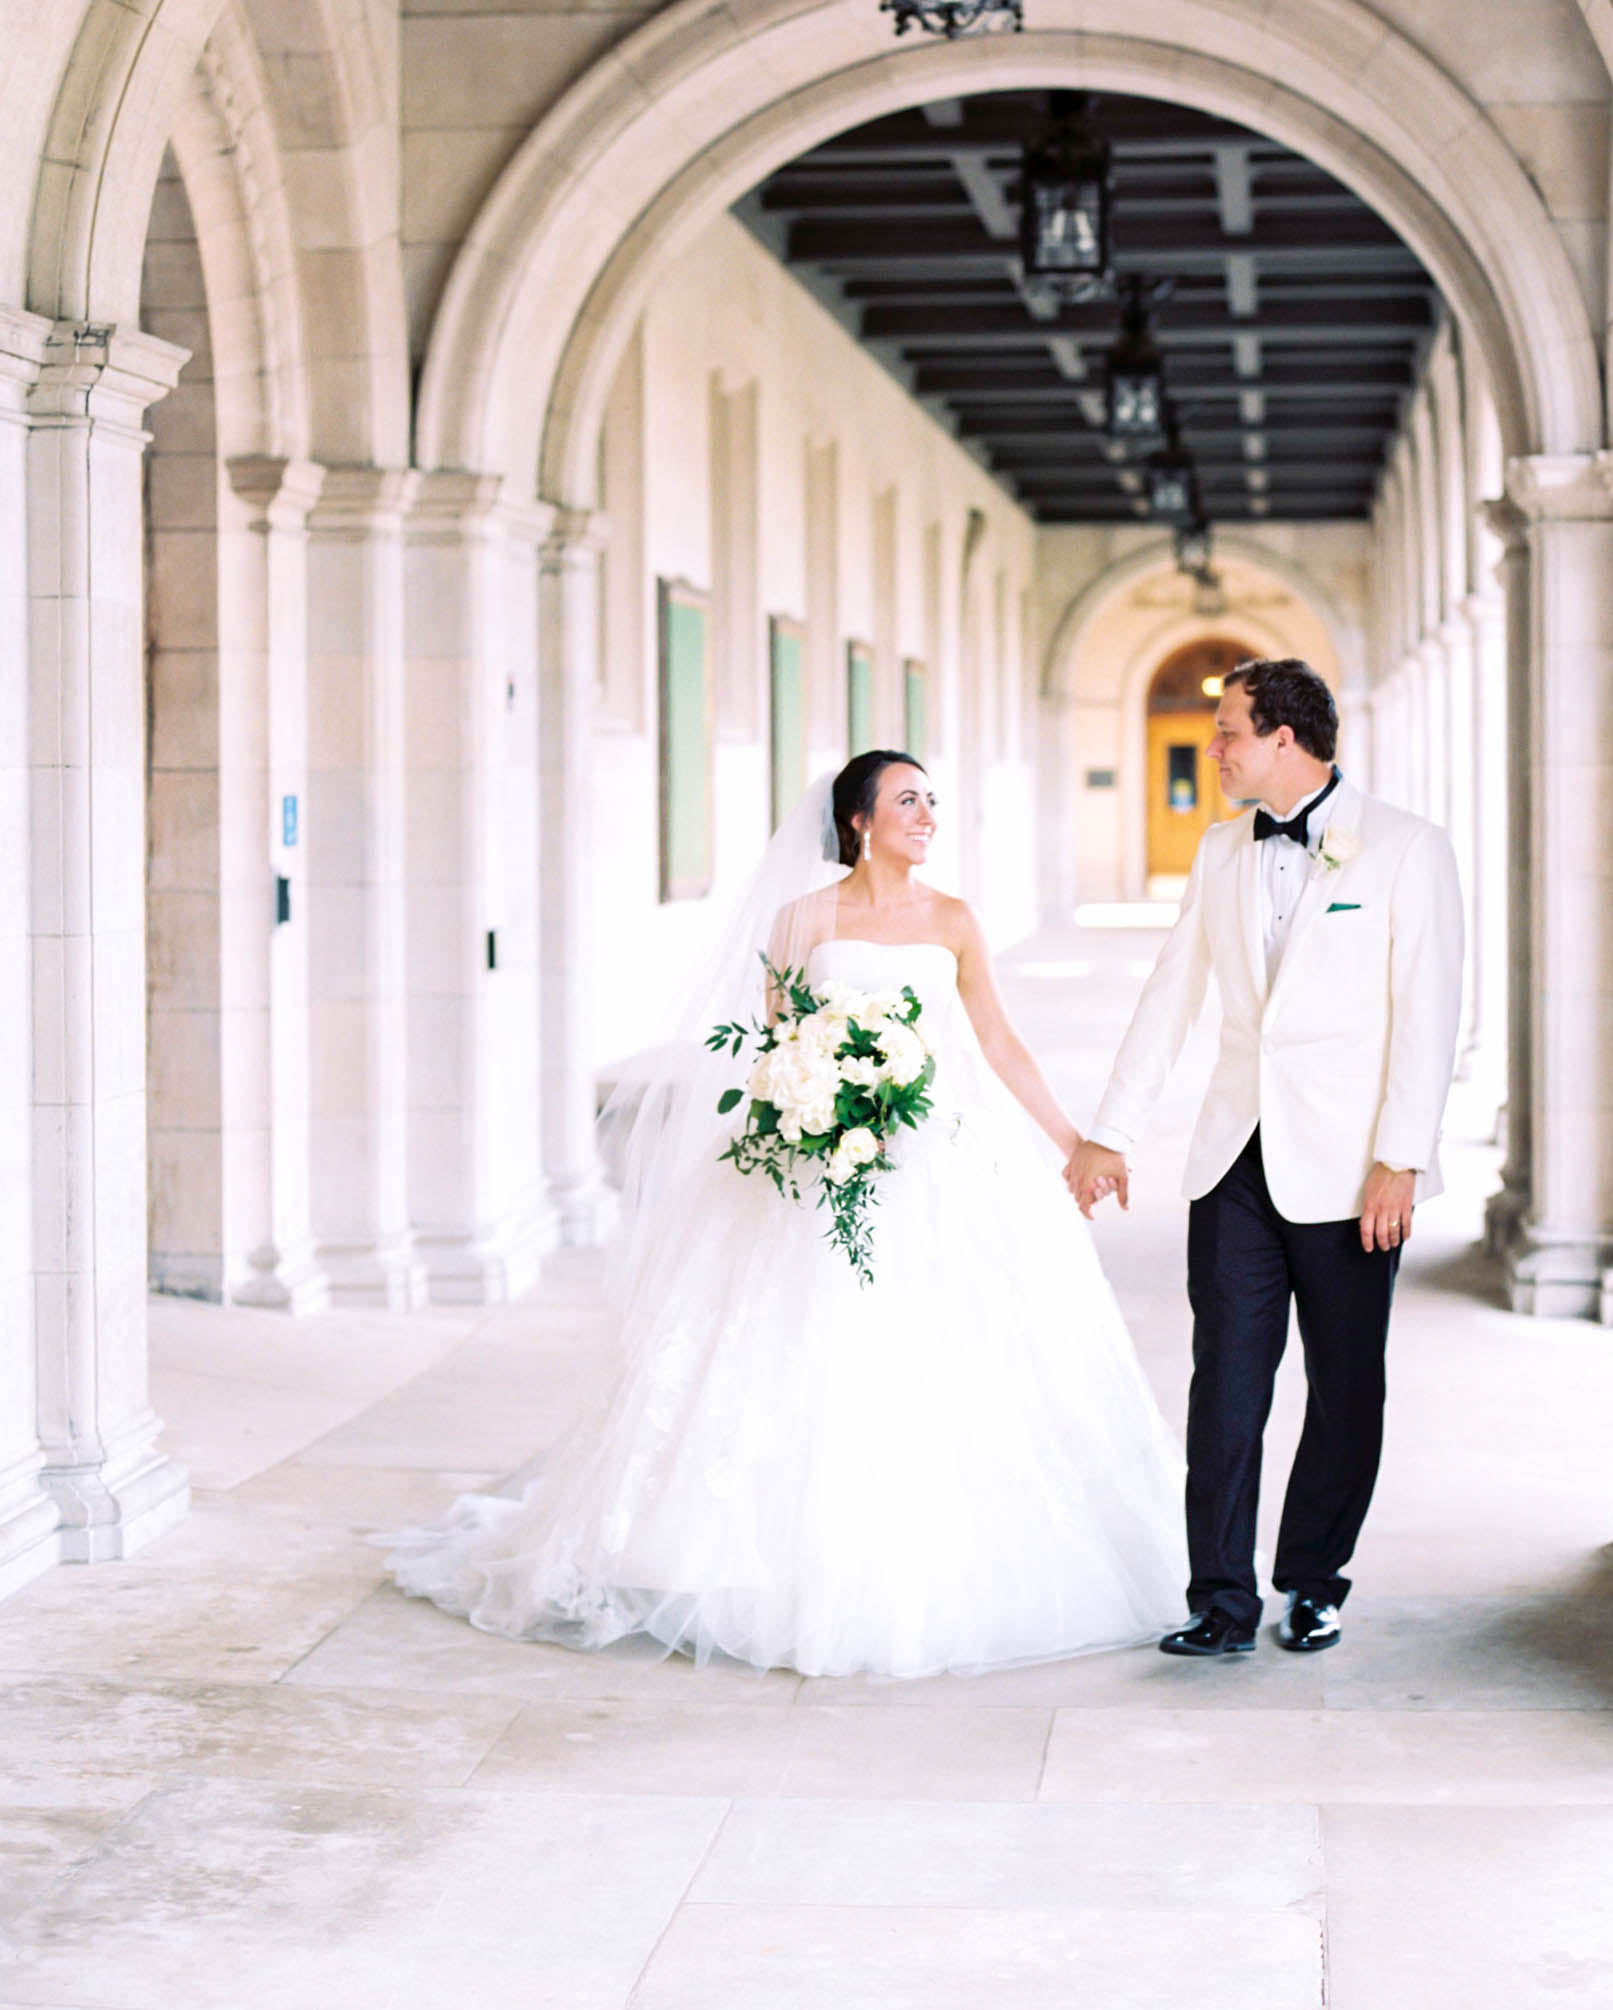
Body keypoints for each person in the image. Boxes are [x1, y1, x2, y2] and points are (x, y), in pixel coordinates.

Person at [386, 750, 1185, 1678]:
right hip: (819, 1165)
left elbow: (997, 1041)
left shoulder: (954, 919)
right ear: (857, 820)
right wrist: (814, 1110)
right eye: (906, 801)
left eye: (931, 800)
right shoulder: (801, 920)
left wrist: (1072, 1139)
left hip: (940, 1157)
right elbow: (774, 1049)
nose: (926, 815)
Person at [1066, 659, 1463, 1660]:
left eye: (1230, 731)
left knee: (1345, 1388)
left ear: (1285, 736)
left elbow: (1427, 1016)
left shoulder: (1408, 849)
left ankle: (1314, 1579)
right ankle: (1219, 1599)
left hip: (1351, 1171)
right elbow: (1170, 994)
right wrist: (1109, 1129)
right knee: (1226, 1384)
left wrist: (1400, 1158)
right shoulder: (1217, 851)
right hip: (1232, 1161)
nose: (1215, 748)